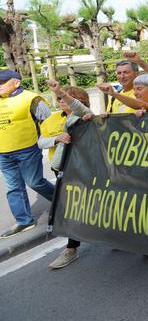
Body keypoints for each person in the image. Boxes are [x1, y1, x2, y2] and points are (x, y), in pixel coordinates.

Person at [39, 80, 93, 269]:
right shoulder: (56, 119)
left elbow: (81, 109)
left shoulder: (85, 117)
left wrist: (61, 92)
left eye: (67, 98)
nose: (62, 101)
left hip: (83, 170)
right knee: (72, 208)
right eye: (60, 98)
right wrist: (56, 139)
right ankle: (71, 248)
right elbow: (40, 142)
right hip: (62, 169)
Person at [0, 69, 56, 238]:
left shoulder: (31, 99)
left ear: (16, 82)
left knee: (35, 182)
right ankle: (24, 221)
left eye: (3, 82)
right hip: (3, 152)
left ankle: (65, 202)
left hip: (28, 149)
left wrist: (50, 141)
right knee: (13, 188)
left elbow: (48, 120)